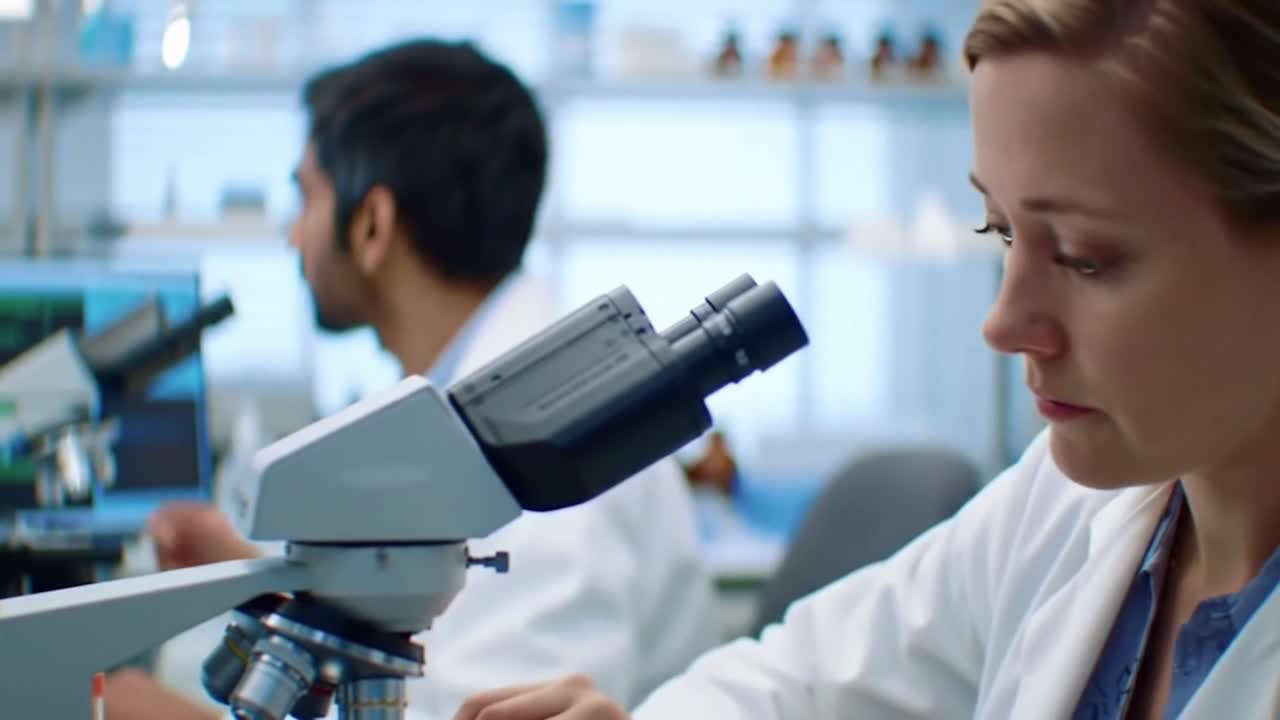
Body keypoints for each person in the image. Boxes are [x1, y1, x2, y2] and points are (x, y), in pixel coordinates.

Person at [451, 1, 1280, 718]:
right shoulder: (1066, 507)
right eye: (1000, 231)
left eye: (1086, 256)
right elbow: (800, 683)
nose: (1002, 323)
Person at [105, 39, 718, 719]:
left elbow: (477, 710)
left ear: (372, 225)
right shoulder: (460, 402)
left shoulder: (544, 448)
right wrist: (273, 586)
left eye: (306, 200)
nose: (292, 238)